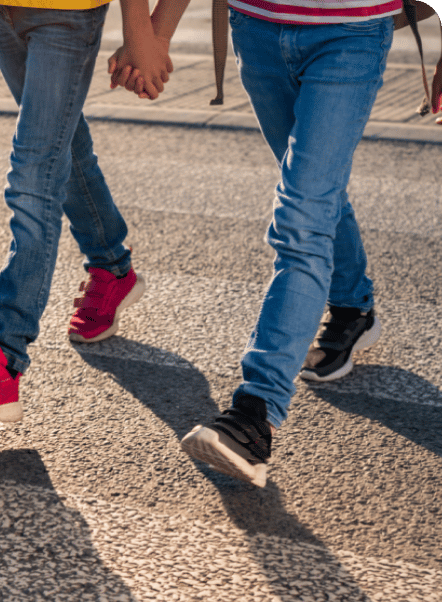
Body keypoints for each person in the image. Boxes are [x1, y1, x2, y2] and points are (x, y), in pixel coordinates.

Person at [112, 0, 407, 489]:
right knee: (311, 191)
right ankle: (354, 307)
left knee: (302, 216)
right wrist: (155, 32)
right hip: (257, 28)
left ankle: (254, 415)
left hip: (350, 34)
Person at [0, 0, 173, 422]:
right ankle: (112, 269)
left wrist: (142, 32)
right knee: (61, 142)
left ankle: (2, 359)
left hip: (66, 11)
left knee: (34, 172)